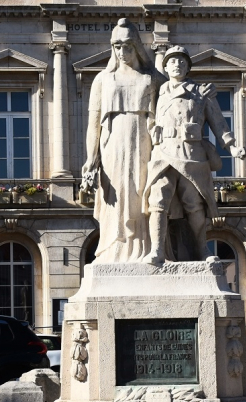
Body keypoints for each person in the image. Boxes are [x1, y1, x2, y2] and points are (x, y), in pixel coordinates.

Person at [143, 46, 246, 266]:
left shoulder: (201, 93)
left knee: (194, 204)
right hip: (163, 154)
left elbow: (219, 123)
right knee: (158, 200)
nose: (177, 65)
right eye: (172, 61)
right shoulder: (157, 92)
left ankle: (202, 249)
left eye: (182, 61)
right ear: (165, 66)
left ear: (188, 66)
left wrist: (232, 147)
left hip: (191, 154)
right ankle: (157, 250)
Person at [81, 19, 163, 263]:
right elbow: (93, 124)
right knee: (115, 197)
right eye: (117, 46)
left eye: (127, 46)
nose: (122, 52)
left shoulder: (151, 78)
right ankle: (113, 251)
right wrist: (90, 158)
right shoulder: (103, 80)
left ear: (136, 46)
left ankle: (145, 250)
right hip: (112, 144)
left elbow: (174, 102)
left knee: (141, 193)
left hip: (143, 142)